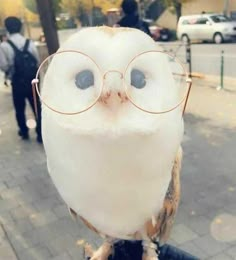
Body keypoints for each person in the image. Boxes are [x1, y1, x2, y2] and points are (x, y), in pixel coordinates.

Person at [0, 17, 42, 143]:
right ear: (20, 27)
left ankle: (24, 132)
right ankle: (40, 132)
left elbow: (4, 65)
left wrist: (10, 72)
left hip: (17, 81)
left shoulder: (4, 46)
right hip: (31, 80)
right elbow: (37, 60)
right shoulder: (29, 43)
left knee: (19, 108)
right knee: (36, 106)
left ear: (7, 28)